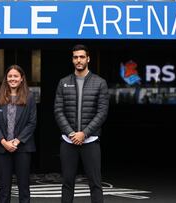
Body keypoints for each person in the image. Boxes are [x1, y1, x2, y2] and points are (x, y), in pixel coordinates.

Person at [54, 44, 109, 203]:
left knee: (95, 184)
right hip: (68, 141)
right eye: (75, 57)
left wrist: (84, 133)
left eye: (82, 57)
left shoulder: (100, 82)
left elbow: (102, 112)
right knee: (67, 183)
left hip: (90, 141)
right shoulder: (63, 82)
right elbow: (58, 111)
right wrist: (72, 134)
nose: (79, 60)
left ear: (88, 59)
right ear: (72, 59)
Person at [0, 65, 37, 203]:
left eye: (16, 76)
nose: (12, 79)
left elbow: (32, 123)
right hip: (2, 148)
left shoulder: (29, 97)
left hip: (23, 148)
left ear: (22, 78)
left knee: (24, 188)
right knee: (4, 188)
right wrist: (4, 142)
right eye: (10, 76)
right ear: (6, 78)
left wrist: (16, 141)